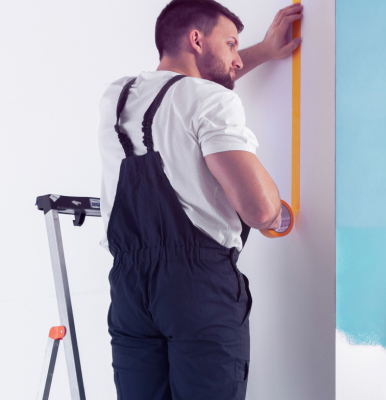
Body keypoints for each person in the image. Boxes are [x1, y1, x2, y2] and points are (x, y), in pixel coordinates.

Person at [96, 0, 301, 398]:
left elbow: (178, 97)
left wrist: (262, 51)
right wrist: (279, 215)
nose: (237, 59)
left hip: (129, 290)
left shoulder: (115, 99)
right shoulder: (212, 101)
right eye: (231, 45)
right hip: (197, 287)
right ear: (196, 39)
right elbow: (260, 210)